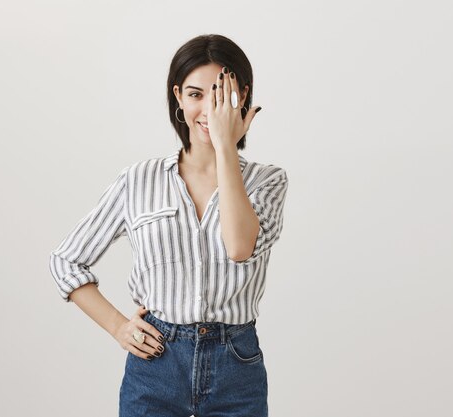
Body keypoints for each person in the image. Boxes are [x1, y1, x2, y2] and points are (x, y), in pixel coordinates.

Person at [48, 34, 288, 417]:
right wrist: (117, 327)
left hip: (236, 366)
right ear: (178, 97)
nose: (208, 109)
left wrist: (227, 147)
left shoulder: (267, 181)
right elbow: (66, 261)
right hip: (156, 363)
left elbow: (239, 247)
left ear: (243, 96)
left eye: (221, 95)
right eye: (195, 95)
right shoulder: (139, 180)